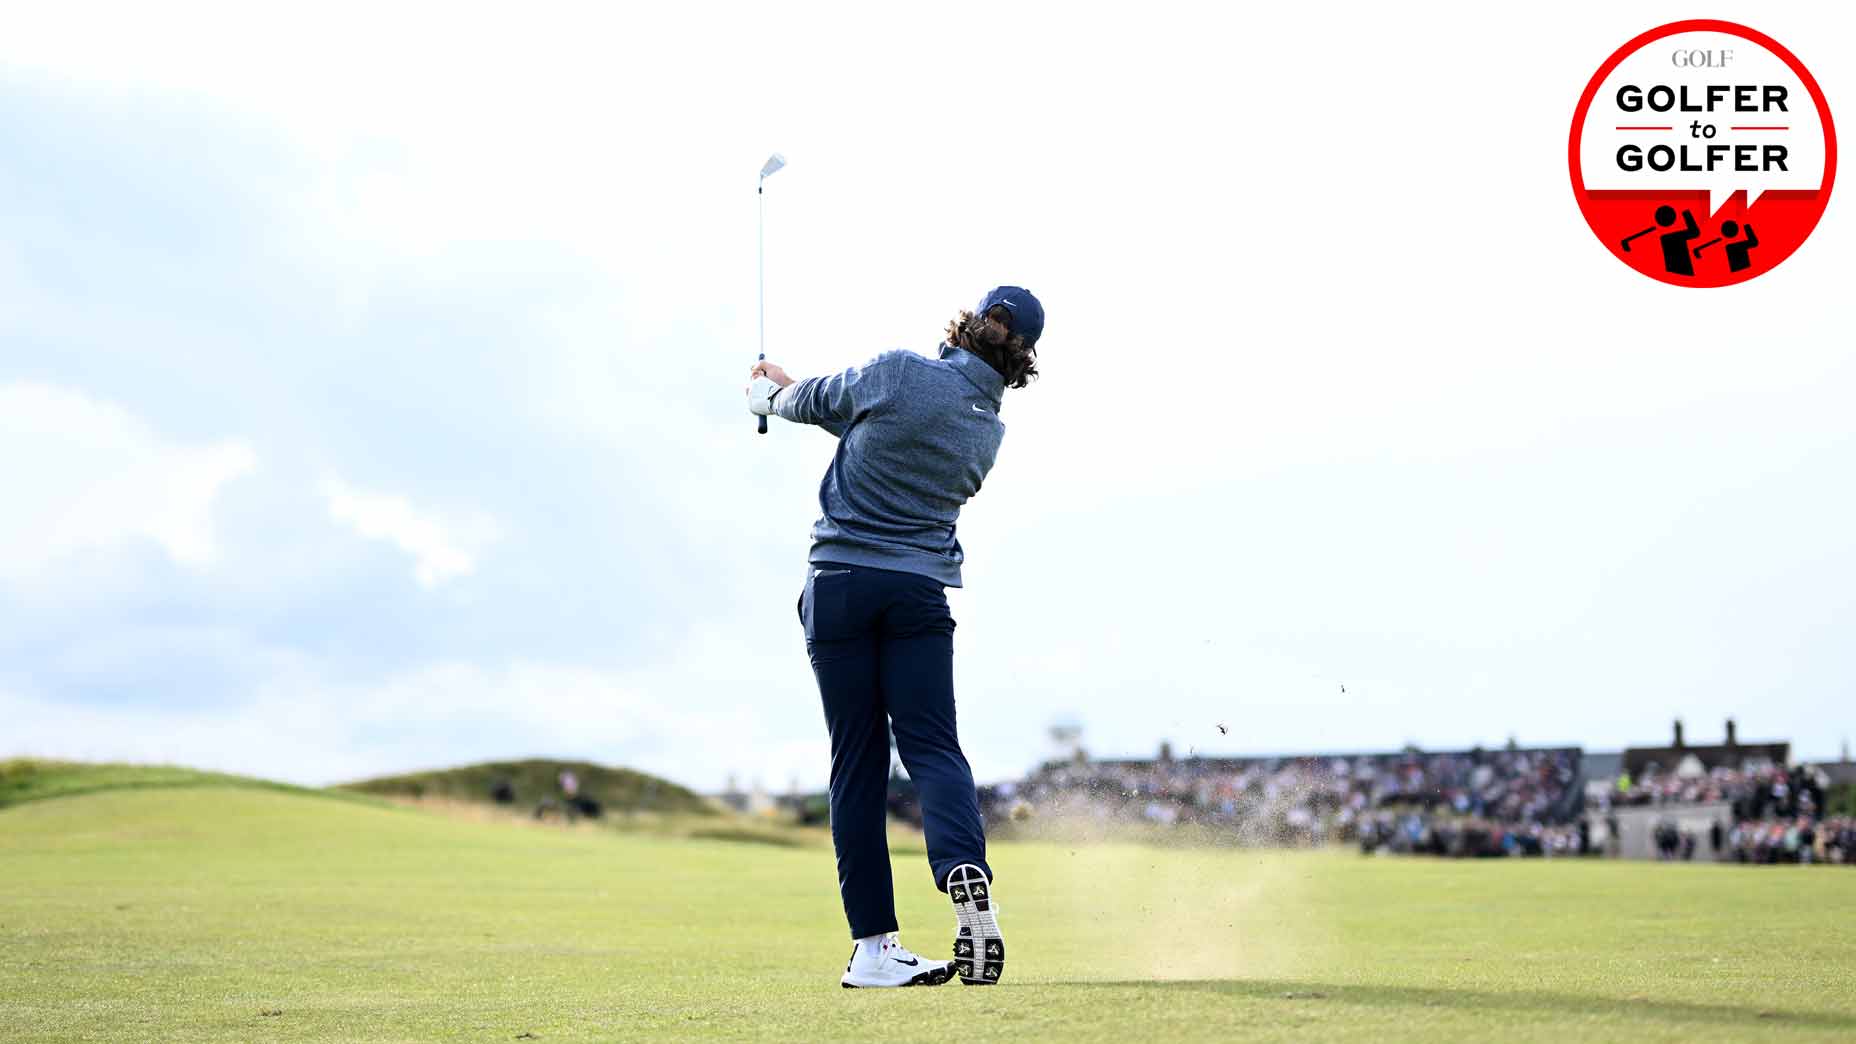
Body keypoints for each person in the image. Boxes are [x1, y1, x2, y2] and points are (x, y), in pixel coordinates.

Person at [746, 286, 1044, 989]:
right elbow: (876, 430)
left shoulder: (900, 372)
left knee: (858, 763)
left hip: (842, 584)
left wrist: (771, 396)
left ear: (969, 322)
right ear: (1021, 355)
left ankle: (876, 950)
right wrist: (792, 395)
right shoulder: (986, 431)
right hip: (917, 595)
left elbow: (828, 404)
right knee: (934, 745)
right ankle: (962, 867)